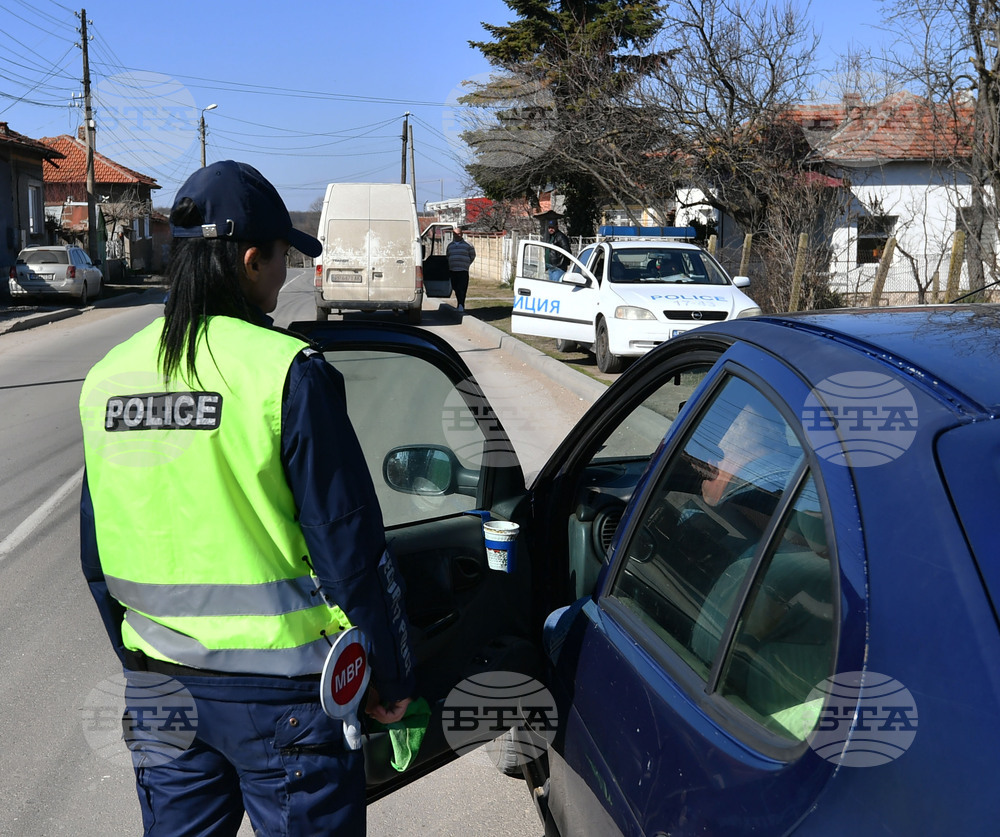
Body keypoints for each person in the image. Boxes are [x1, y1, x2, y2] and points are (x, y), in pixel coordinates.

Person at [78, 160, 415, 836]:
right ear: (252, 259)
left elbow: (96, 559)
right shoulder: (286, 372)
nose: (285, 276)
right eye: (284, 260)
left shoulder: (107, 379)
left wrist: (141, 664)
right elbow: (349, 549)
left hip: (164, 688)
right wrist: (389, 672)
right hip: (286, 698)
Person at [445, 226, 475, 312]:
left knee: (462, 288)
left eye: (458, 234)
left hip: (463, 270)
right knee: (456, 288)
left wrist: (466, 263)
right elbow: (448, 256)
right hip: (453, 270)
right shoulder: (450, 246)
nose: (457, 235)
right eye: (455, 234)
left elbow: (472, 255)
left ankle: (461, 304)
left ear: (461, 234)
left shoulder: (468, 245)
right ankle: (459, 303)